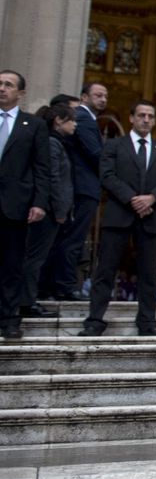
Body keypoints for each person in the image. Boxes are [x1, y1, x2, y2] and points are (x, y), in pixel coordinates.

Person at [79, 99, 156, 336]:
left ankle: (147, 321)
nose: (146, 120)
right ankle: (95, 320)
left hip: (150, 217)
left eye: (150, 116)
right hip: (119, 214)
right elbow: (107, 176)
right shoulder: (114, 146)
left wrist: (151, 198)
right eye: (141, 115)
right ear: (131, 118)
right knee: (106, 270)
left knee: (148, 273)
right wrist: (134, 199)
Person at [1, 74, 54, 339]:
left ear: (21, 93)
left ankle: (10, 318)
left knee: (12, 264)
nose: (2, 89)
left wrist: (39, 202)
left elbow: (42, 168)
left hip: (15, 205)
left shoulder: (32, 125)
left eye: (8, 85)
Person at [42, 81, 106, 301]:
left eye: (105, 96)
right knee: (73, 239)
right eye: (98, 95)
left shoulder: (86, 119)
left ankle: (55, 283)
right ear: (84, 97)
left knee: (67, 238)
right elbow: (96, 154)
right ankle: (64, 285)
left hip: (80, 187)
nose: (103, 99)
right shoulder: (84, 117)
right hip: (83, 188)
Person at [20, 102, 75, 318]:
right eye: (72, 120)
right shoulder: (52, 144)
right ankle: (26, 301)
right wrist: (60, 210)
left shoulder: (54, 143)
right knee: (34, 257)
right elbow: (53, 179)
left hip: (50, 209)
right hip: (48, 211)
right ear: (59, 121)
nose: (75, 125)